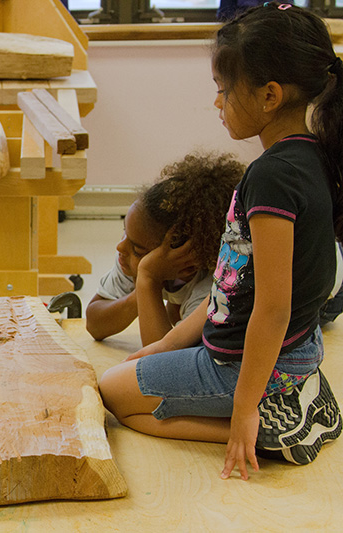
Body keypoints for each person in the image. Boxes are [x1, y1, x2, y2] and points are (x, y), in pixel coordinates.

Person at [98, 3, 343, 480]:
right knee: (137, 370)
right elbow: (233, 289)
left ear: (269, 96)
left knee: (113, 394)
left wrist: (245, 408)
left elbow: (272, 308)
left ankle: (270, 426)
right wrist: (166, 343)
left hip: (245, 365)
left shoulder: (272, 179)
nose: (218, 103)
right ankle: (291, 399)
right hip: (294, 351)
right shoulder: (312, 157)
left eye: (224, 91)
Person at [86, 152, 244, 346]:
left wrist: (149, 279)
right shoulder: (133, 256)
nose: (121, 247)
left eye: (137, 249)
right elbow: (94, 324)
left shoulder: (209, 289)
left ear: (185, 262)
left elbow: (161, 361)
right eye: (124, 233)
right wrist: (140, 294)